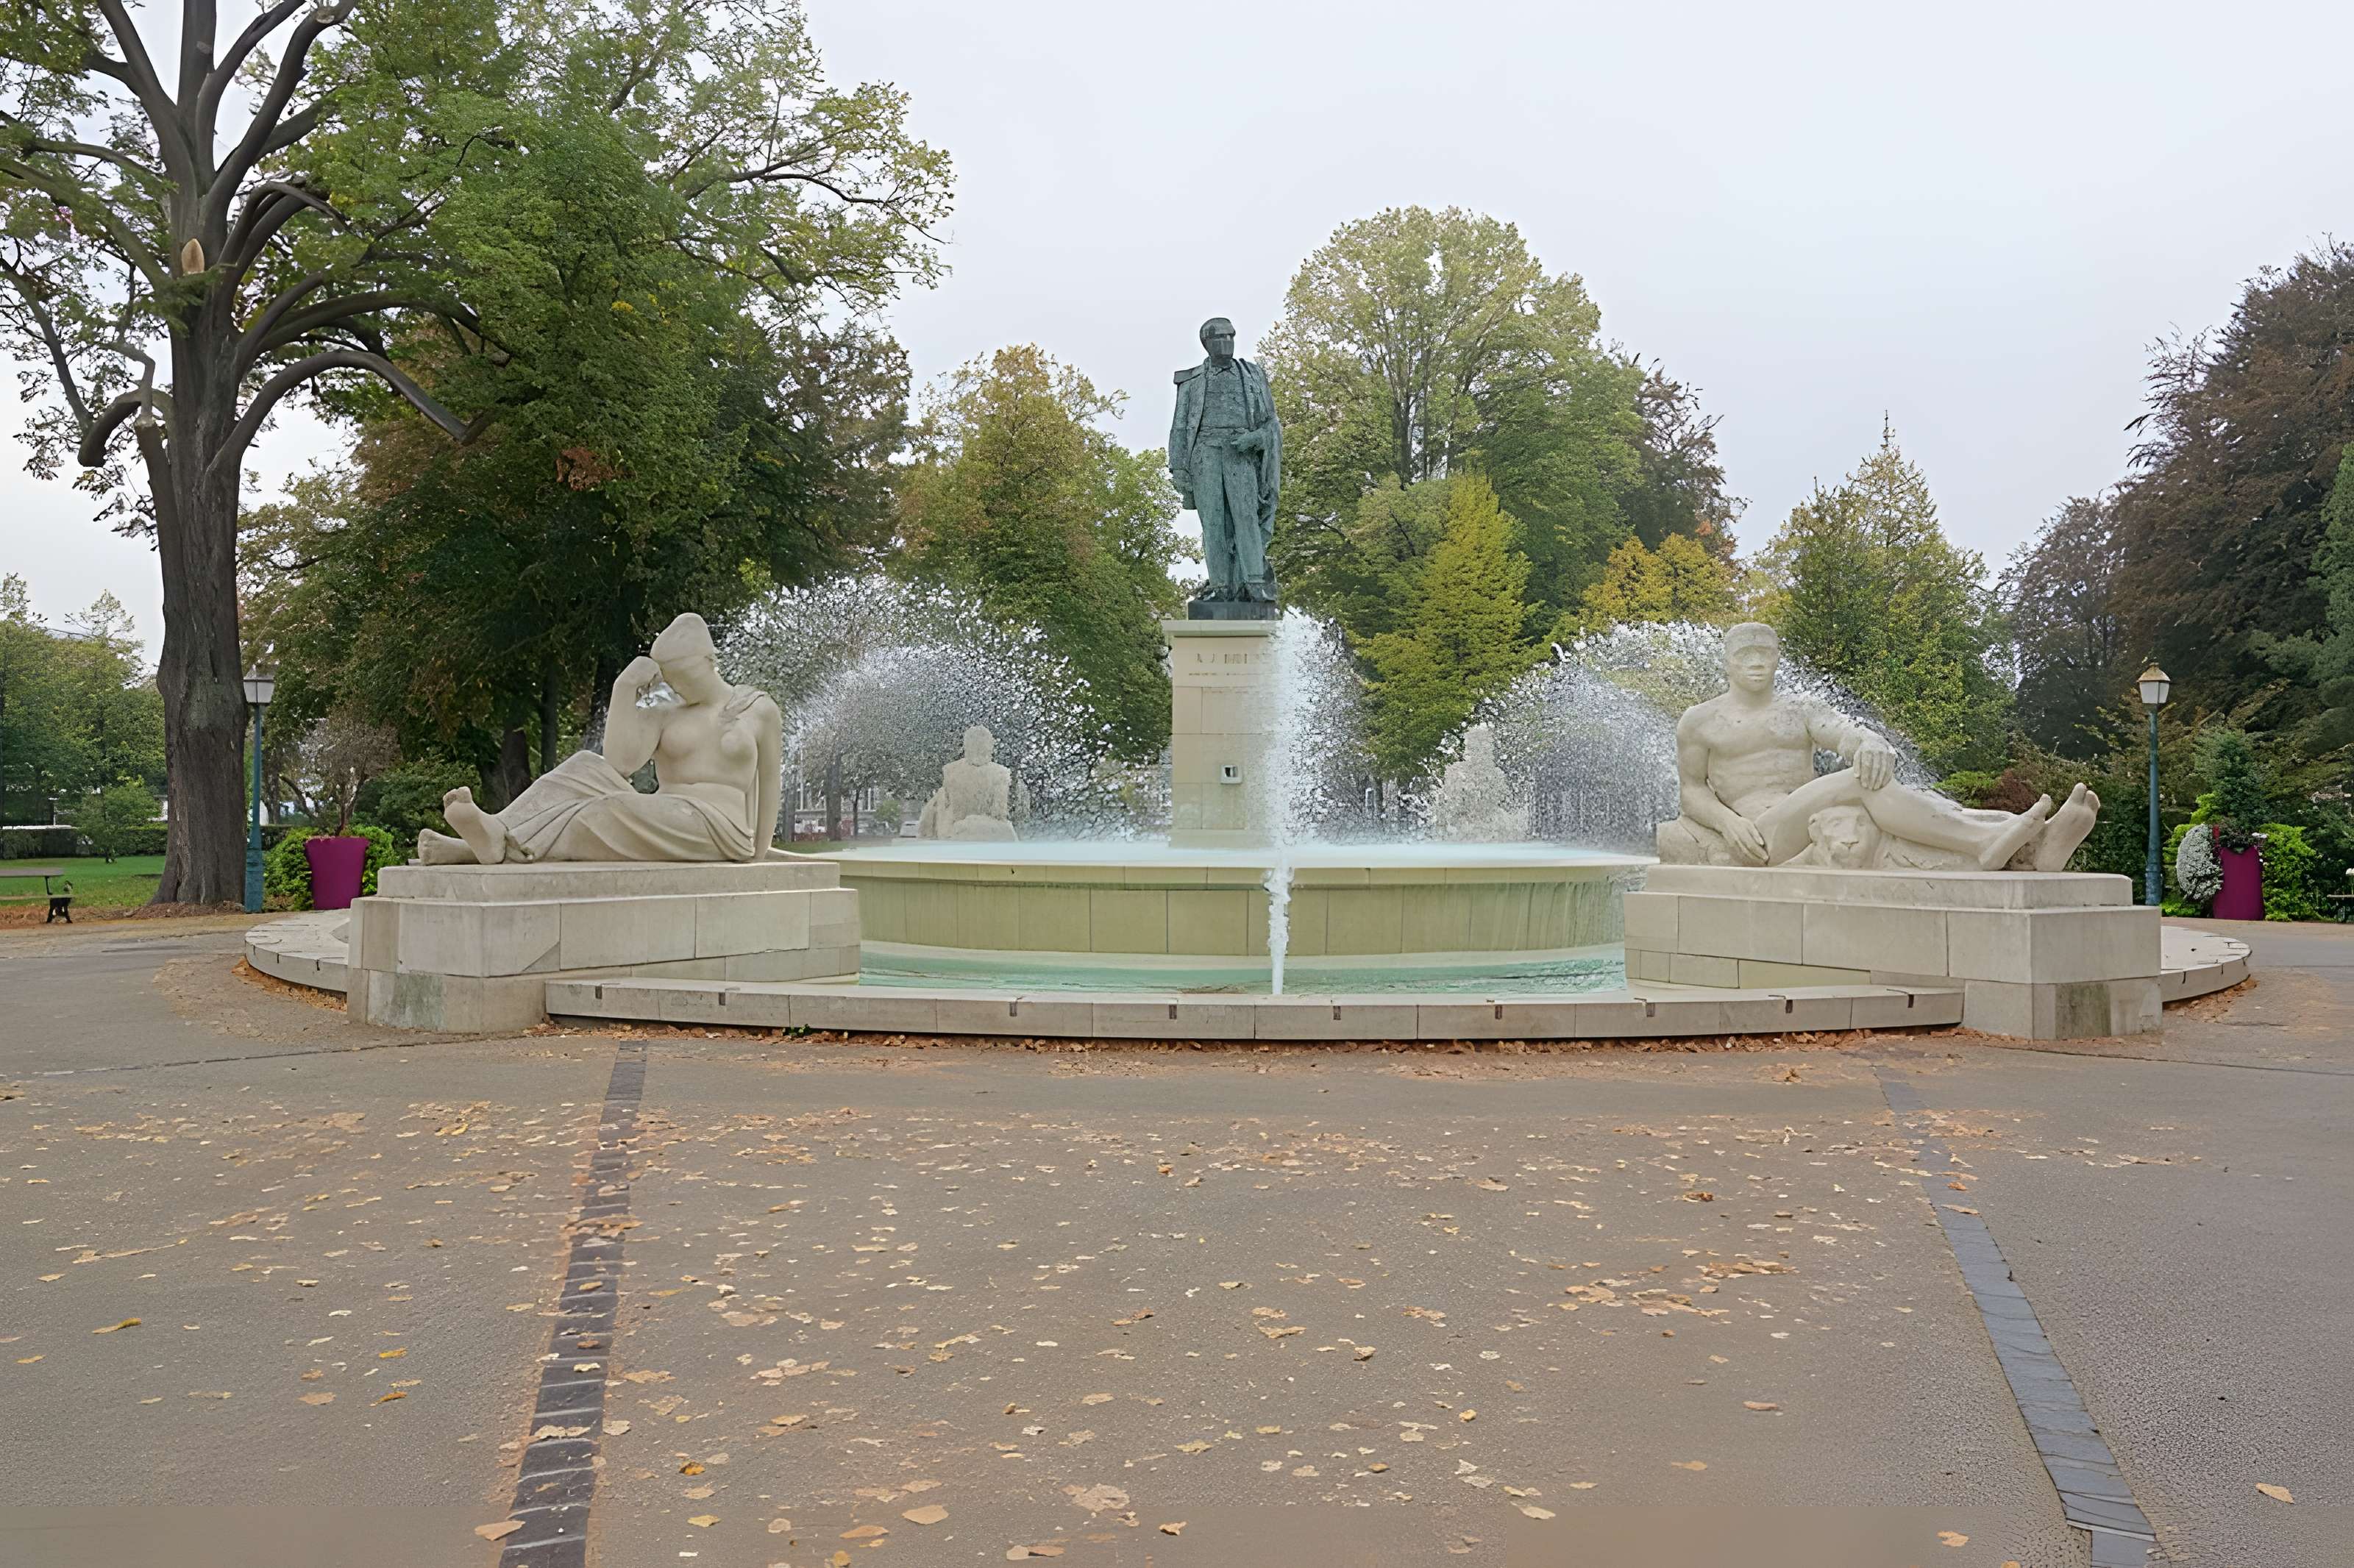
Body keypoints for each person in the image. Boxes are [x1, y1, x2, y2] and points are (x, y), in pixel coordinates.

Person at [1657, 622, 2099, 872]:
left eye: (1765, 654)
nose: (1756, 663)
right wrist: (1729, 824)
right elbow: (1692, 792)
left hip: (1813, 819)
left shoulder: (1801, 709)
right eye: (1745, 655)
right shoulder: (1700, 721)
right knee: (1863, 783)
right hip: (1758, 837)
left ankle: (2028, 844)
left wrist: (1870, 741)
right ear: (1727, 662)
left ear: (1777, 659)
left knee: (1894, 795)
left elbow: (1844, 732)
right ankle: (1991, 840)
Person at [418, 613, 783, 864]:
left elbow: (769, 785)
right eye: (668, 676)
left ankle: (478, 847)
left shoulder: (757, 708)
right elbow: (620, 764)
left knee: (605, 811)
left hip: (720, 827)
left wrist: (759, 855)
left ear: (708, 660)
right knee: (584, 766)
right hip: (661, 814)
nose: (674, 684)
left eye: (682, 674)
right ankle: (493, 834)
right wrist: (624, 687)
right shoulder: (666, 710)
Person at [1169, 316, 1281, 610]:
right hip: (1204, 454)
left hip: (1240, 452)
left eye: (1231, 336)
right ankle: (1220, 587)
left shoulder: (1253, 375)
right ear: (1206, 343)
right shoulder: (1191, 381)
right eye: (1220, 337)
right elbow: (1180, 427)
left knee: (1247, 517)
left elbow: (1271, 422)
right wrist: (1179, 468)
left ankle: (1255, 583)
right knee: (1213, 524)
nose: (1227, 342)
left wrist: (1255, 439)